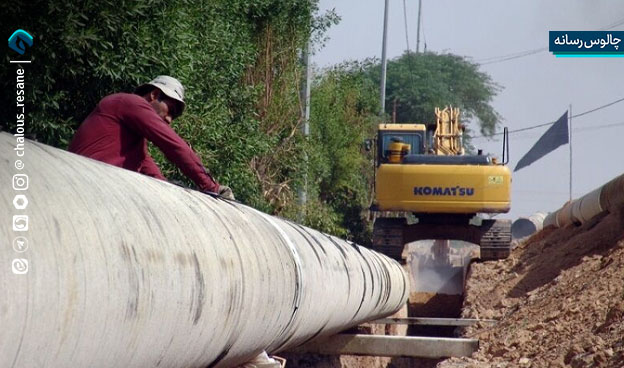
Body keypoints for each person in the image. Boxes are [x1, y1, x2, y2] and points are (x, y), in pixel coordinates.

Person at [68, 75, 234, 199]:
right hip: (86, 182)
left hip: (92, 184)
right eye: (171, 110)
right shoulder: (129, 102)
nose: (169, 119)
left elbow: (151, 171)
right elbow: (173, 145)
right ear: (154, 95)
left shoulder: (135, 143)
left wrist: (170, 188)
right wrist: (212, 187)